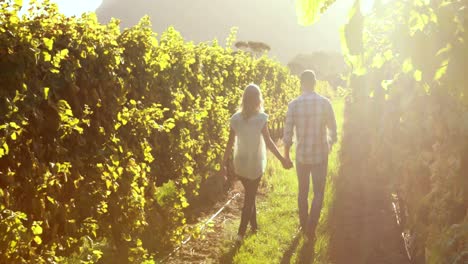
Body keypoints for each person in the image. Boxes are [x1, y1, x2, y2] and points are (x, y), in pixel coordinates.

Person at [221, 84, 293, 243]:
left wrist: (223, 164)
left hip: (240, 162)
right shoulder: (261, 118)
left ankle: (254, 226)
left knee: (250, 195)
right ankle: (240, 234)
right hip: (255, 163)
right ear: (258, 99)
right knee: (249, 198)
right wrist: (282, 159)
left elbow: (229, 143)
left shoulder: (235, 118)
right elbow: (269, 142)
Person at [283, 70, 337, 240]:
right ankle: (311, 227)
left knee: (303, 191)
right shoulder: (324, 103)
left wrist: (286, 155)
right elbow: (333, 129)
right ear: (315, 83)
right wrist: (329, 144)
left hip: (302, 156)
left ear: (301, 83)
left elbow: (287, 133)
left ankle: (304, 223)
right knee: (319, 192)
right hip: (320, 155)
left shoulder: (293, 105)